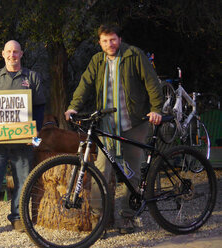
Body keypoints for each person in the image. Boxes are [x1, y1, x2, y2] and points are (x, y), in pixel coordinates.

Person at [65, 24, 163, 234]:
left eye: (113, 39)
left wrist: (156, 109)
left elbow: (152, 82)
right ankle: (98, 220)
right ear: (99, 42)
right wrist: (74, 106)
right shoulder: (97, 61)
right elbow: (85, 84)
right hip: (107, 124)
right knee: (101, 170)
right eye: (105, 40)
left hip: (134, 122)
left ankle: (127, 217)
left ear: (119, 39)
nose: (109, 44)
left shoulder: (133, 55)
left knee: (131, 171)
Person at [0, 40, 46, 237]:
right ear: (3, 54)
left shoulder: (32, 77)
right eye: (9, 52)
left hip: (23, 141)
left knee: (23, 181)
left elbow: (39, 108)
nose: (12, 55)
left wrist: (36, 131)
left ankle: (18, 218)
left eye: (16, 52)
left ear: (21, 54)